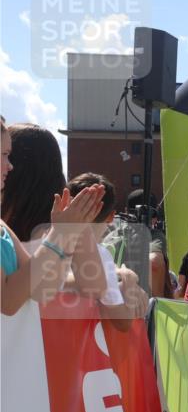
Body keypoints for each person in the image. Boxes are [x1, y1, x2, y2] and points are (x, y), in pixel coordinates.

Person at [1, 116, 104, 315]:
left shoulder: (5, 222)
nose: (8, 165)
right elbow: (94, 285)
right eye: (4, 154)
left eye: (8, 154)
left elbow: (35, 288)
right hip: (36, 339)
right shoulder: (69, 219)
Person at [66, 173, 149, 330]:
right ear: (111, 216)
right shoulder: (100, 256)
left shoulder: (46, 243)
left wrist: (117, 273)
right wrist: (129, 283)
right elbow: (123, 322)